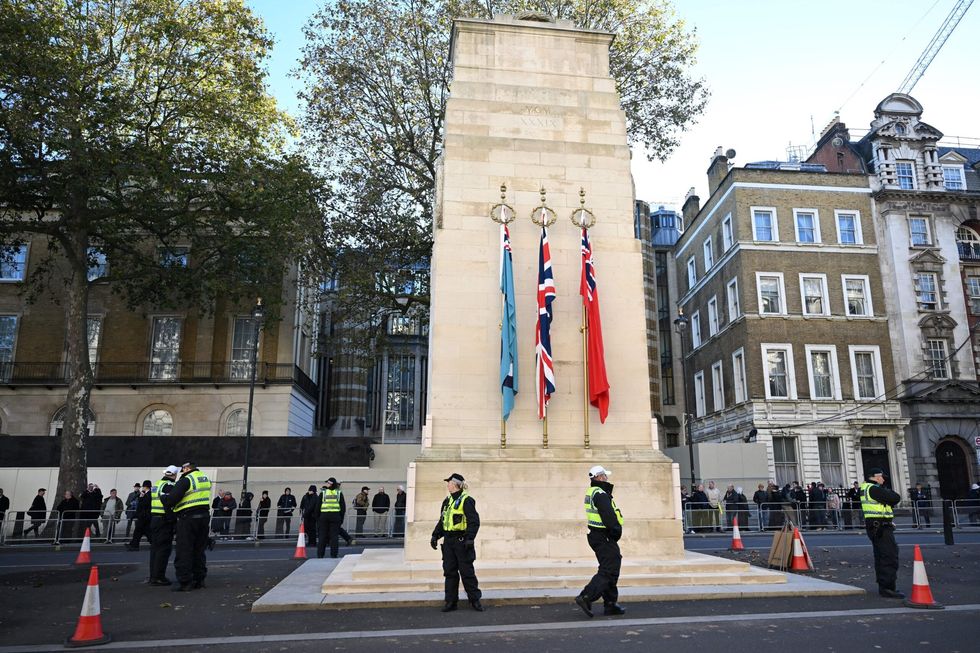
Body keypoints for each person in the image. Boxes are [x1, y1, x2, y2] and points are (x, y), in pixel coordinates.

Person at [575, 465, 624, 618]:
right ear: (598, 477)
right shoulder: (601, 494)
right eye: (603, 475)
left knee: (611, 567)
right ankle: (586, 596)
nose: (606, 478)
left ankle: (610, 604)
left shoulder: (593, 492)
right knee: (608, 570)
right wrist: (615, 532)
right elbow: (609, 517)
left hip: (598, 535)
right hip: (604, 536)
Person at [430, 473, 482, 612]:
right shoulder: (447, 501)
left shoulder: (467, 500)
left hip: (462, 541)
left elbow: (474, 521)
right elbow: (443, 520)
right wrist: (435, 535)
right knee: (450, 572)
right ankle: (451, 602)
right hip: (448, 542)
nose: (447, 484)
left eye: (449, 482)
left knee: (467, 572)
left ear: (455, 484)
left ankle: (474, 600)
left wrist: (470, 538)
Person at [162, 461, 212, 592]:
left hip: (188, 519)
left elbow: (171, 499)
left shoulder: (186, 480)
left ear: (187, 468)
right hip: (204, 518)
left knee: (184, 550)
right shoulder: (205, 478)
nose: (182, 472)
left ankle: (185, 582)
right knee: (199, 550)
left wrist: (165, 498)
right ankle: (199, 580)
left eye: (183, 469)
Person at [861, 468, 903, 599]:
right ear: (873, 477)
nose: (883, 479)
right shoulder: (874, 489)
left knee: (880, 556)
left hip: (876, 525)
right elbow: (895, 498)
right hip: (881, 526)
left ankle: (883, 585)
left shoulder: (866, 488)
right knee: (888, 556)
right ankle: (888, 587)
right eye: (881, 477)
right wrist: (886, 491)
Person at [149, 466, 179, 585]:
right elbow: (166, 502)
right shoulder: (169, 486)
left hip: (155, 519)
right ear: (174, 475)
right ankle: (159, 577)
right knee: (164, 549)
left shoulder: (157, 484)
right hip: (164, 520)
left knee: (155, 549)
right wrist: (172, 519)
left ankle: (153, 576)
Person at [315, 478, 346, 559]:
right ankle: (334, 555)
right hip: (335, 517)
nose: (327, 484)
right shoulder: (338, 493)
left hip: (324, 517)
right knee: (334, 537)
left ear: (331, 484)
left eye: (328, 483)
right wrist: (341, 518)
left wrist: (317, 518)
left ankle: (320, 555)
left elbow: (318, 506)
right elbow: (343, 507)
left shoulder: (323, 492)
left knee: (322, 536)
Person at [125, 480, 153, 550]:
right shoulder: (145, 494)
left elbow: (144, 504)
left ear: (146, 487)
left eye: (143, 486)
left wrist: (141, 497)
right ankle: (134, 544)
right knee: (140, 531)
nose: (142, 488)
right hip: (143, 516)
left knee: (141, 531)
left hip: (145, 516)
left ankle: (135, 545)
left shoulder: (149, 494)